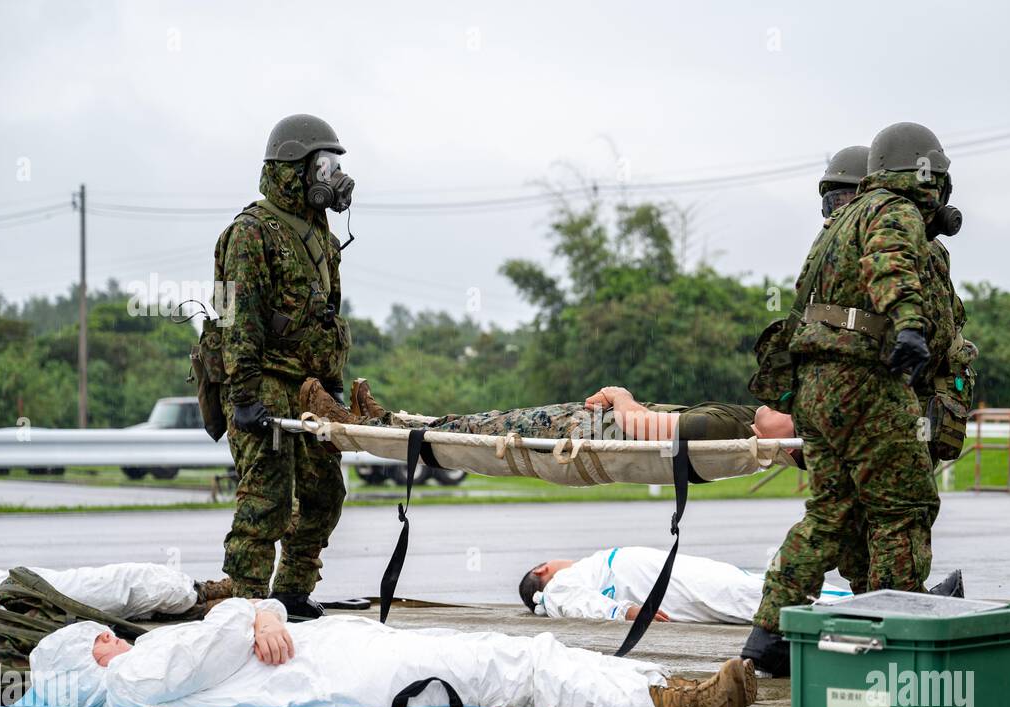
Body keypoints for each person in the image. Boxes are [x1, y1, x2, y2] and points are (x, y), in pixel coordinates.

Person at [743, 123, 958, 677]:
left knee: (828, 514)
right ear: (926, 172)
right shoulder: (893, 209)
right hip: (864, 381)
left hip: (817, 387)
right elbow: (890, 263)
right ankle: (891, 634)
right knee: (901, 510)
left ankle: (768, 634)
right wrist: (910, 326)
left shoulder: (836, 227)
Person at [27, 599, 758, 707]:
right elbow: (214, 642)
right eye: (102, 637)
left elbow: (231, 630)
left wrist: (259, 613)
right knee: (516, 672)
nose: (113, 638)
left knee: (521, 656)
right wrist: (250, 614)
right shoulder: (126, 677)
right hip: (343, 677)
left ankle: (664, 686)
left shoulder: (138, 663)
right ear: (90, 652)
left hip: (339, 654)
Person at [213, 114, 356, 620]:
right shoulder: (249, 234)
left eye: (333, 165)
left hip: (311, 387)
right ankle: (247, 602)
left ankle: (292, 591)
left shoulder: (322, 236)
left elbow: (327, 315)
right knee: (268, 494)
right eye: (322, 165)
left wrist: (334, 386)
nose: (331, 176)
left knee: (324, 492)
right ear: (292, 169)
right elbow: (237, 320)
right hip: (263, 382)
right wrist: (245, 395)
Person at [300, 380, 802, 460]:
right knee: (473, 423)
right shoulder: (744, 421)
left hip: (579, 430)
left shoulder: (722, 430)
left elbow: (640, 427)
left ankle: (358, 424)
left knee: (470, 430)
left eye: (784, 410)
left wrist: (622, 394)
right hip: (581, 423)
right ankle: (383, 419)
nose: (772, 402)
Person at [519, 547, 851, 624]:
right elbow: (574, 603)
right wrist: (624, 612)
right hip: (670, 583)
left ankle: (848, 601)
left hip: (672, 575)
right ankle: (851, 607)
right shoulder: (557, 587)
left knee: (747, 588)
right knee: (746, 595)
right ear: (542, 569)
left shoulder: (579, 576)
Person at [0, 562, 227, 619]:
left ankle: (202, 592)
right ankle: (204, 600)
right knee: (106, 592)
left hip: (5, 585)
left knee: (102, 586)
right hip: (3, 599)